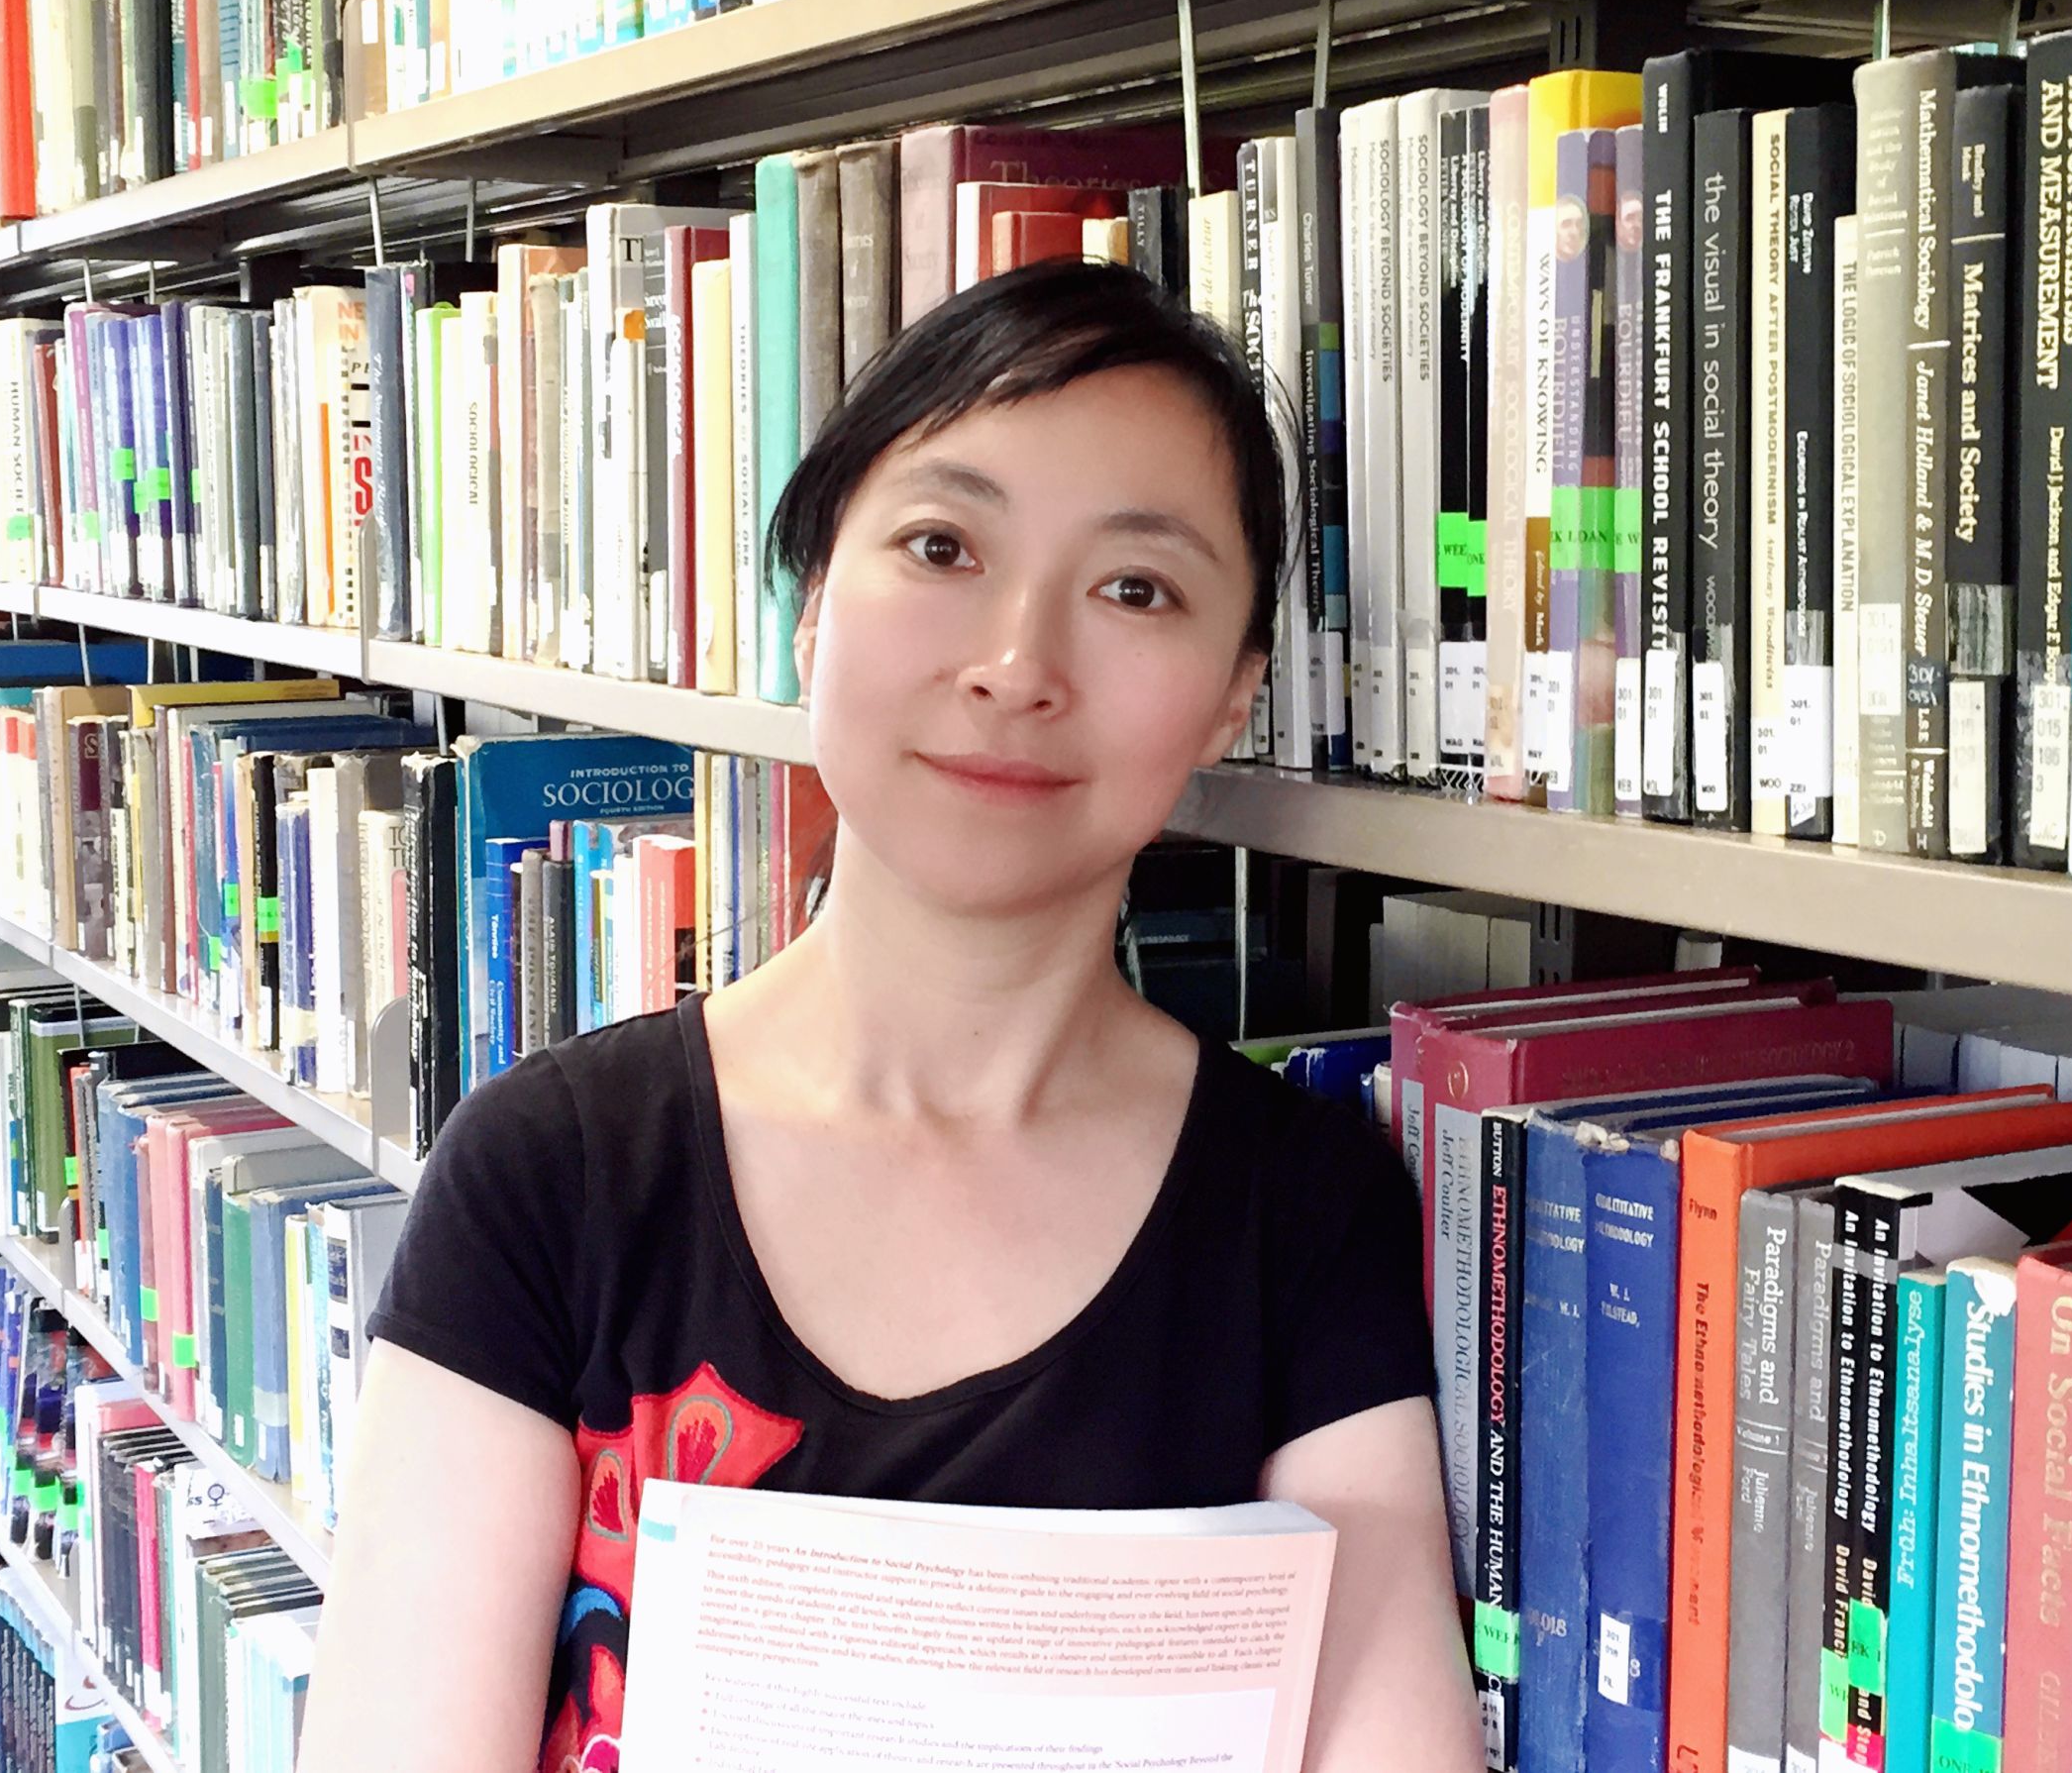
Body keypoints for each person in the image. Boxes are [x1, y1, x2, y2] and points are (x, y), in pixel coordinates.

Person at [296, 259, 1481, 1773]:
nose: (1018, 666)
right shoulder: (554, 1171)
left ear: (1235, 694)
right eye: (941, 546)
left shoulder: (1302, 1210)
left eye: (1136, 589)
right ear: (811, 612)